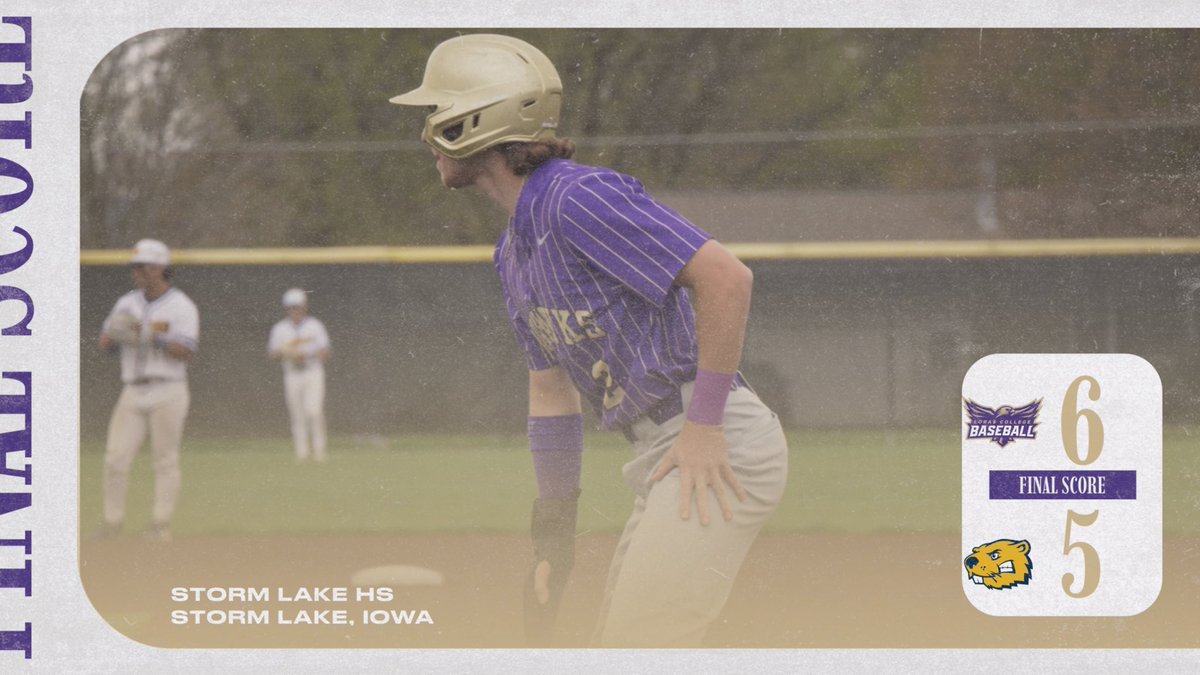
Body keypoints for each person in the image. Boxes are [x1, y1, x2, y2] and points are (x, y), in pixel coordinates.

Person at [392, 34, 789, 647]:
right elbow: (551, 394)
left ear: (474, 122)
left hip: (712, 439)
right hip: (664, 450)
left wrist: (705, 426)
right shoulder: (513, 252)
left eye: (436, 111)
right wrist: (554, 539)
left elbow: (727, 280)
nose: (426, 130)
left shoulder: (576, 198)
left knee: (641, 642)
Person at [97, 239, 199, 542]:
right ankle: (112, 524)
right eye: (134, 266)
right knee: (115, 458)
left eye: (141, 266)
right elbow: (104, 343)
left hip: (169, 389)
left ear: (159, 268)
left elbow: (187, 351)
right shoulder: (126, 303)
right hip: (132, 389)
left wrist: (150, 337)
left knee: (165, 460)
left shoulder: (182, 306)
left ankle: (160, 524)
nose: (135, 272)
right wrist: (117, 336)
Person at [267, 288, 331, 462]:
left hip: (312, 372)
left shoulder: (314, 326)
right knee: (297, 414)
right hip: (292, 373)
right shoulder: (280, 329)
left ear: (304, 307)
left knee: (314, 410)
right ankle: (301, 452)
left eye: (297, 306)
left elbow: (325, 352)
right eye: (291, 307)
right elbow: (273, 354)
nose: (294, 310)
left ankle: (319, 450)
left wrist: (307, 355)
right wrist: (287, 352)